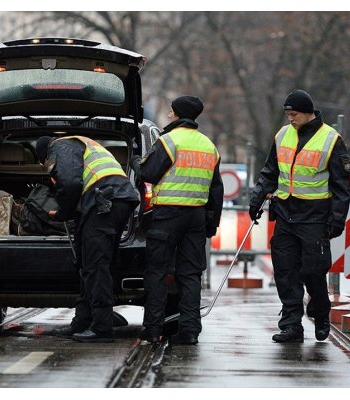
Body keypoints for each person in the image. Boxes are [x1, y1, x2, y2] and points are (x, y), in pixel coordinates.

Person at [249, 89, 350, 343]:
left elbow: (341, 186)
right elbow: (270, 171)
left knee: (313, 271)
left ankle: (320, 310)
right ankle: (291, 325)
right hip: (285, 213)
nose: (290, 119)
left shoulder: (331, 139)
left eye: (294, 114)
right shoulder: (283, 134)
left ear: (308, 113)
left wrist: (337, 220)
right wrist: (257, 198)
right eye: (287, 115)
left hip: (315, 217)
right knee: (285, 272)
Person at [131, 96, 224, 345]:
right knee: (190, 274)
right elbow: (217, 191)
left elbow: (149, 173)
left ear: (176, 114)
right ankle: (190, 330)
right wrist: (211, 224)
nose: (169, 115)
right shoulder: (208, 146)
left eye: (171, 112)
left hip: (167, 216)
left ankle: (152, 329)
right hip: (195, 217)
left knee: (157, 272)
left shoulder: (169, 141)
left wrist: (134, 163)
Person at [36, 135, 140, 343]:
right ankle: (82, 322)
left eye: (44, 163)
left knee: (95, 266)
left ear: (45, 153)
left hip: (105, 202)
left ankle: (102, 329)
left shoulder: (60, 147)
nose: (47, 165)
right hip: (112, 200)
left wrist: (63, 212)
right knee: (88, 263)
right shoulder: (79, 145)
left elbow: (71, 183)